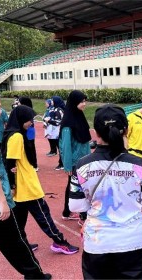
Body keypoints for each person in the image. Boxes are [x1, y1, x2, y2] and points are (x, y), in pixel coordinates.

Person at [71, 104, 142, 279]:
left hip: (97, 244)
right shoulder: (141, 165)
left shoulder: (81, 165)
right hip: (133, 242)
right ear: (126, 130)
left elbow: (75, 205)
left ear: (96, 132)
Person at [2, 105, 79, 255]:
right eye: (29, 120)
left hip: (22, 186)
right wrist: (12, 184)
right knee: (44, 216)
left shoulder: (15, 134)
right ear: (21, 120)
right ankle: (59, 242)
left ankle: (20, 244)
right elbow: (10, 162)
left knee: (19, 220)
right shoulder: (16, 136)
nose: (31, 122)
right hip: (27, 186)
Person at [0, 93, 51, 279]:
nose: (1, 110)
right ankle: (35, 275)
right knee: (15, 241)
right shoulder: (14, 136)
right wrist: (3, 200)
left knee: (16, 240)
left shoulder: (10, 132)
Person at [60, 90, 91, 224]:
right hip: (75, 161)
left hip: (84, 159)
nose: (84, 104)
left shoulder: (79, 117)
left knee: (75, 185)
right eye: (81, 101)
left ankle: (67, 211)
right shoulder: (68, 122)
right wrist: (67, 165)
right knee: (80, 186)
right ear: (74, 103)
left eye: (85, 101)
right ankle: (83, 216)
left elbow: (85, 140)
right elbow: (65, 146)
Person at [44, 96, 65, 170]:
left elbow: (58, 122)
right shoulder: (55, 109)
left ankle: (62, 163)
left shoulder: (58, 110)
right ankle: (62, 163)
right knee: (60, 147)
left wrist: (48, 121)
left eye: (52, 100)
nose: (51, 101)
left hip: (59, 132)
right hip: (57, 131)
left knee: (61, 148)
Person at [18, 97, 38, 171]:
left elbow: (27, 124)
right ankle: (32, 163)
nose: (18, 103)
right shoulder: (25, 110)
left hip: (29, 131)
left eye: (19, 102)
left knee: (30, 147)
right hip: (29, 131)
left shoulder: (28, 111)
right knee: (29, 147)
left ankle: (34, 164)